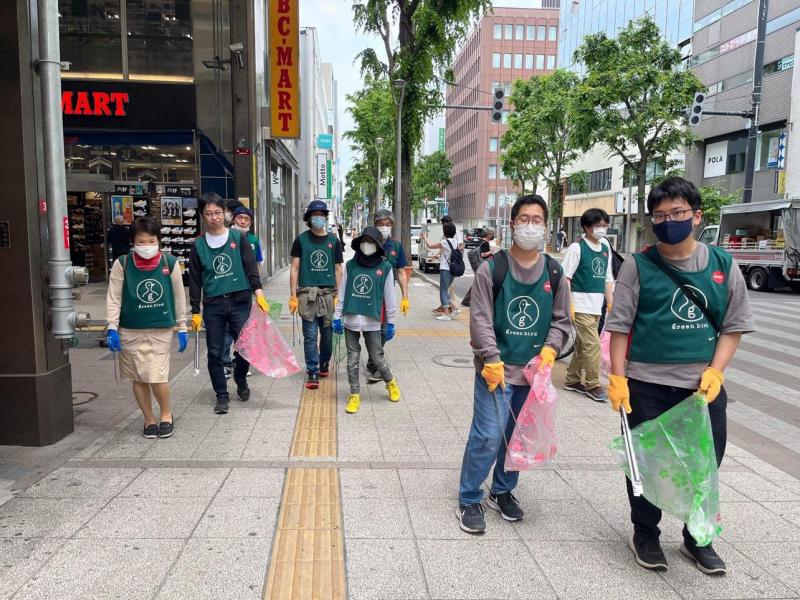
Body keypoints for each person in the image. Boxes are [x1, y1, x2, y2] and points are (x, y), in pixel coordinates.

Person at [605, 176, 754, 575]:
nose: (668, 220)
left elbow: (733, 325)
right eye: (660, 215)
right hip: (646, 385)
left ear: (697, 215)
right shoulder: (638, 265)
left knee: (705, 463)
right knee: (646, 462)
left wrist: (716, 372)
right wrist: (617, 379)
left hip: (701, 390)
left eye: (677, 213)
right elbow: (619, 327)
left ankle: (697, 537)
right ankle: (646, 534)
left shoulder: (723, 264)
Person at [457, 194, 571, 534]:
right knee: (488, 435)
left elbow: (562, 319)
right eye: (525, 219)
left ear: (547, 227)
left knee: (517, 435)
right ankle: (469, 497)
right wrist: (491, 359)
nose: (531, 225)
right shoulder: (492, 269)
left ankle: (503, 490)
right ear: (512, 224)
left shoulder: (553, 270)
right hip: (496, 371)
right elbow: (480, 320)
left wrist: (551, 350)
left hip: (533, 373)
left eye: (537, 220)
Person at [105, 216, 187, 438]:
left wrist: (183, 326)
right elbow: (114, 298)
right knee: (138, 376)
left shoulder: (170, 263)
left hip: (160, 328)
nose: (147, 246)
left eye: (151, 241)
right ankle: (148, 419)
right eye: (141, 242)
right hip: (130, 329)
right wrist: (112, 327)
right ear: (133, 242)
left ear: (158, 240)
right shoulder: (122, 264)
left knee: (157, 375)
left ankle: (166, 414)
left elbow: (180, 297)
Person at [188, 192, 269, 415]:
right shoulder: (198, 245)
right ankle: (221, 395)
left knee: (244, 347)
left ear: (225, 213)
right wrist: (195, 310)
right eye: (208, 213)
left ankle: (241, 379)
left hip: (239, 301)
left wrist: (259, 294)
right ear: (203, 216)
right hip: (213, 305)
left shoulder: (239, 238)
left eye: (217, 212)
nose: (214, 217)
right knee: (214, 352)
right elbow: (195, 280)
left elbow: (251, 268)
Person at [333, 226, 402, 414]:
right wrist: (337, 316)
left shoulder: (385, 267)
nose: (367, 245)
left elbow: (389, 297)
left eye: (371, 242)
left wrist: (391, 322)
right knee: (352, 360)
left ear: (378, 245)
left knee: (378, 359)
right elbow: (343, 291)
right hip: (351, 319)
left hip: (373, 321)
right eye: (364, 241)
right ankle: (354, 395)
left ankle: (391, 383)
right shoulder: (351, 265)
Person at [289, 200, 344, 389]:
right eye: (315, 215)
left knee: (327, 335)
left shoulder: (333, 241)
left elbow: (338, 269)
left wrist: (339, 294)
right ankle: (312, 370)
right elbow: (295, 268)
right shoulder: (301, 240)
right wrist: (293, 296)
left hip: (328, 294)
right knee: (310, 335)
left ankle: (323, 362)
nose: (318, 218)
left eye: (322, 214)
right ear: (309, 218)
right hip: (307, 295)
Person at [562, 208, 615, 402]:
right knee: (593, 345)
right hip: (580, 304)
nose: (602, 229)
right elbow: (565, 278)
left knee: (583, 344)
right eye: (597, 226)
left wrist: (611, 304)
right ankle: (593, 384)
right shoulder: (577, 248)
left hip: (596, 305)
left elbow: (608, 278)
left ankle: (572, 379)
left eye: (604, 225)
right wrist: (570, 306)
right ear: (586, 227)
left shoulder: (605, 247)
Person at [366, 209, 411, 382]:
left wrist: (405, 297)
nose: (384, 228)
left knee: (384, 332)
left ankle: (373, 362)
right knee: (371, 331)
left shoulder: (396, 247)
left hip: (386, 298)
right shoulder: (367, 243)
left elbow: (401, 272)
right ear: (375, 225)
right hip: (368, 296)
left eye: (387, 224)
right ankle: (375, 363)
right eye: (381, 224)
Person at [421, 222, 460, 321]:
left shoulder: (444, 242)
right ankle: (455, 308)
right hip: (453, 269)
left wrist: (425, 237)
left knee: (443, 291)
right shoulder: (455, 242)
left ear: (445, 232)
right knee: (445, 290)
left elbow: (430, 246)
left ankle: (447, 313)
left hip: (445, 269)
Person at [440, 215, 464, 312]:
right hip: (449, 263)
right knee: (446, 288)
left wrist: (452, 252)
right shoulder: (446, 233)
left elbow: (461, 247)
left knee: (445, 289)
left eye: (443, 224)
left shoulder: (455, 232)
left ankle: (454, 306)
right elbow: (443, 246)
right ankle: (448, 306)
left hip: (451, 265)